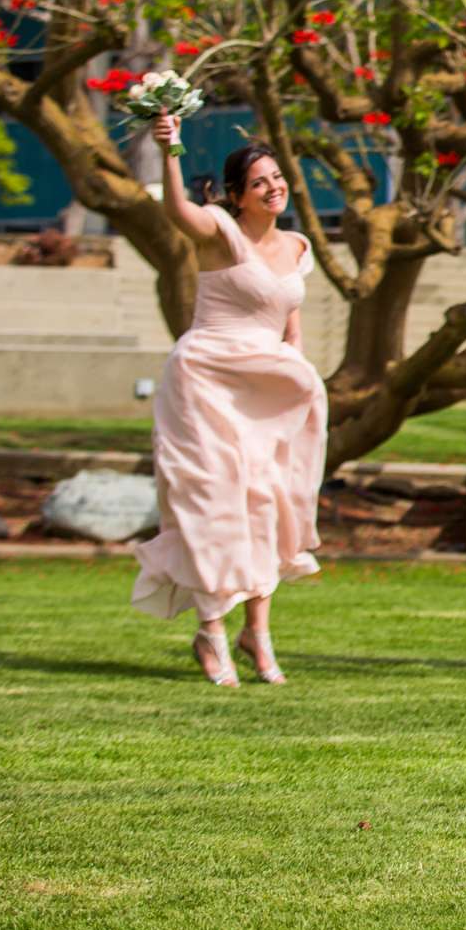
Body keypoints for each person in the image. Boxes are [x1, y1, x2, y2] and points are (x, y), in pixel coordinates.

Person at [130, 121, 327, 686]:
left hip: (264, 387)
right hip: (205, 379)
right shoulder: (218, 229)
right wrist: (170, 149)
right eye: (259, 182)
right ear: (236, 196)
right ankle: (212, 630)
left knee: (265, 500)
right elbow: (177, 212)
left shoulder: (297, 247)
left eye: (278, 178)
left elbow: (291, 329)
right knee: (213, 501)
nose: (273, 188)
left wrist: (300, 378)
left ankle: (256, 634)